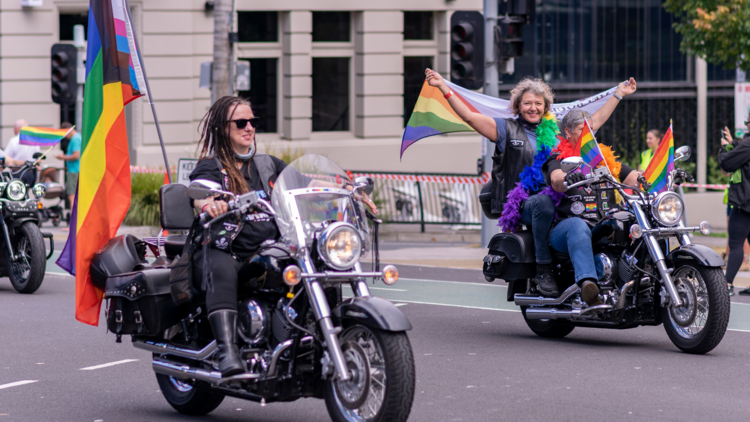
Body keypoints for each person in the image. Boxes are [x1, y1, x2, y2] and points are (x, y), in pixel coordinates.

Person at [189, 96, 376, 376]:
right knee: (222, 269)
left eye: (253, 121)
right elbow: (200, 195)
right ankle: (227, 351)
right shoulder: (213, 167)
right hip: (227, 249)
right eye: (241, 122)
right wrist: (211, 204)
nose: (249, 127)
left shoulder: (267, 165)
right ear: (223, 128)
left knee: (319, 259)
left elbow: (307, 183)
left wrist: (348, 190)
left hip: (268, 248)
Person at [424, 68, 636, 297]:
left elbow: (591, 125)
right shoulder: (506, 129)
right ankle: (543, 267)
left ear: (545, 107)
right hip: (524, 202)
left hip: (559, 200)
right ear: (518, 106)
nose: (533, 107)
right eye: (527, 103)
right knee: (543, 202)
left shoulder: (555, 134)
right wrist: (444, 88)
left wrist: (618, 94)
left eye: (537, 103)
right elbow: (469, 116)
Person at [543, 110, 641, 305]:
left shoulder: (602, 160)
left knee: (635, 221)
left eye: (592, 129)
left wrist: (660, 178)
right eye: (583, 130)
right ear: (568, 132)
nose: (590, 134)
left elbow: (634, 180)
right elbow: (555, 181)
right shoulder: (557, 158)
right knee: (577, 225)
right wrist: (567, 177)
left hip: (601, 226)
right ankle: (588, 283)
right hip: (566, 229)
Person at [718, 119, 750, 296]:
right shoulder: (745, 144)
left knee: (736, 244)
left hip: (745, 202)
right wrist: (734, 143)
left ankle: (727, 284)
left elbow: (727, 163)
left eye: (748, 122)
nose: (746, 125)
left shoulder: (748, 143)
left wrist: (724, 148)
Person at [55, 122, 81, 208]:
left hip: (74, 171)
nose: (64, 136)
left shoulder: (75, 139)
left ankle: (74, 218)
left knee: (71, 195)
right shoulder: (77, 138)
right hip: (75, 169)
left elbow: (76, 156)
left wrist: (63, 157)